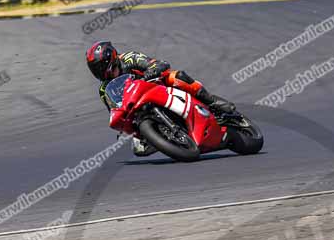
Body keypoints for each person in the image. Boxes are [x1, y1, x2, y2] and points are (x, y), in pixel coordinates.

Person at [85, 40, 237, 156]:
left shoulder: (129, 58)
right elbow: (113, 109)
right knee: (138, 149)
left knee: (177, 76)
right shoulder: (104, 89)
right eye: (94, 68)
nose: (98, 71)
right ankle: (165, 138)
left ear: (109, 58)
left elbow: (158, 63)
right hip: (137, 106)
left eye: (99, 66)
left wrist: (150, 72)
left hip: (157, 85)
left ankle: (212, 102)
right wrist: (123, 129)